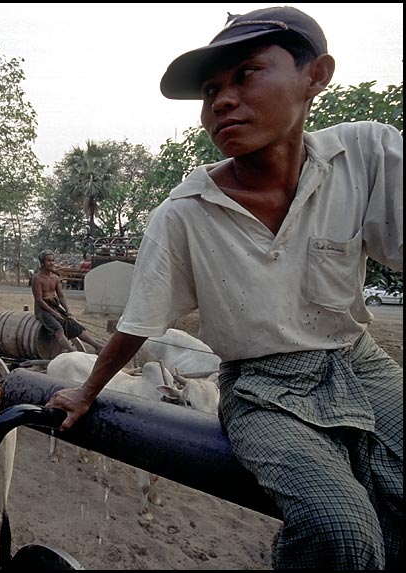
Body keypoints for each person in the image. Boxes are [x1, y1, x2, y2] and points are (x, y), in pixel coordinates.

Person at [47, 6, 402, 570]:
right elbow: (141, 319)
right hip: (262, 385)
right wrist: (88, 390)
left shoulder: (364, 155)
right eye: (211, 90)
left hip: (360, 361)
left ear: (316, 75)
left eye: (247, 74)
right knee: (339, 528)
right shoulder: (183, 213)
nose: (222, 101)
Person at [32, 250, 104, 354]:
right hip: (42, 310)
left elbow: (61, 296)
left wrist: (67, 311)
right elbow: (39, 300)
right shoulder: (37, 279)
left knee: (73, 325)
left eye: (52, 260)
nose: (51, 263)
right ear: (42, 262)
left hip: (54, 306)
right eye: (48, 261)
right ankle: (73, 352)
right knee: (58, 328)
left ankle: (97, 346)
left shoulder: (55, 278)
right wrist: (54, 314)